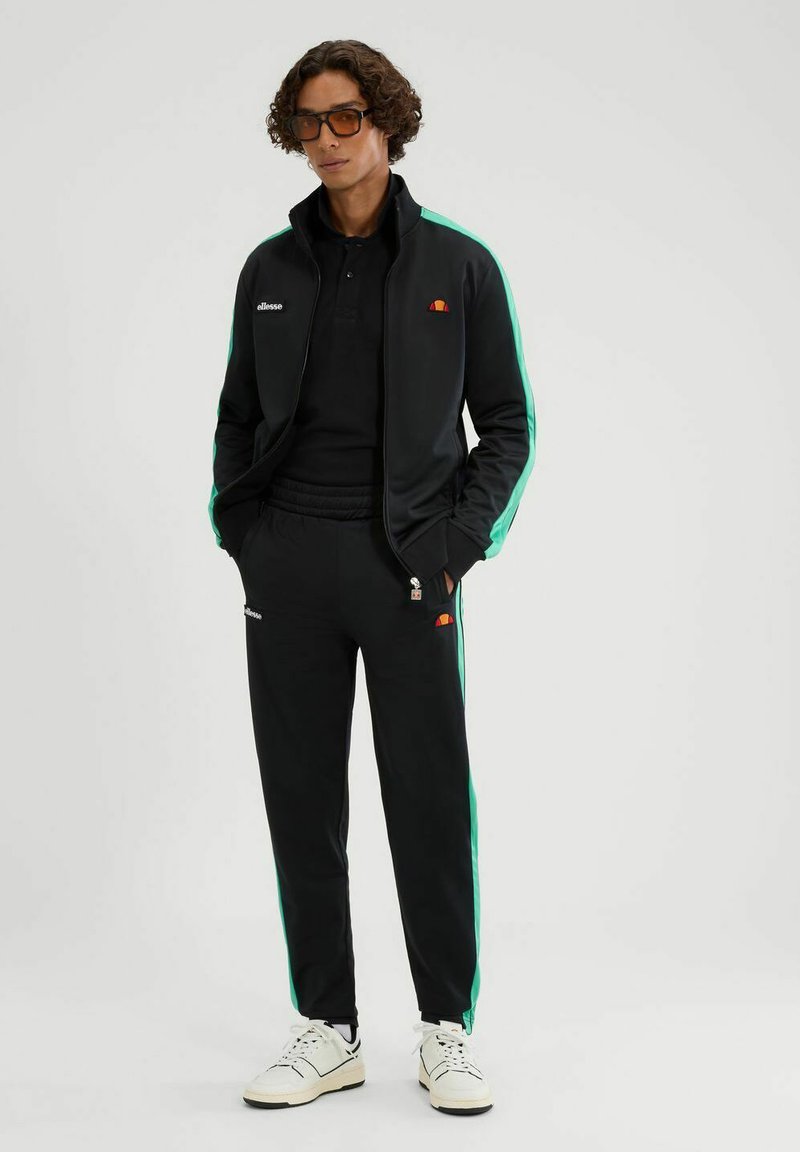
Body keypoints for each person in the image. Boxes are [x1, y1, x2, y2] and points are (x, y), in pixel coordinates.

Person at [208, 39, 536, 1114]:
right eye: (307, 123)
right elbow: (237, 414)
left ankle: (445, 1028)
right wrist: (244, 530)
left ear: (387, 122)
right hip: (289, 565)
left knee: (426, 797)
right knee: (301, 799)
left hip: (407, 570)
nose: (327, 139)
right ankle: (328, 1029)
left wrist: (453, 547)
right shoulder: (270, 269)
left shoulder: (457, 266)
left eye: (345, 116)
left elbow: (508, 426)